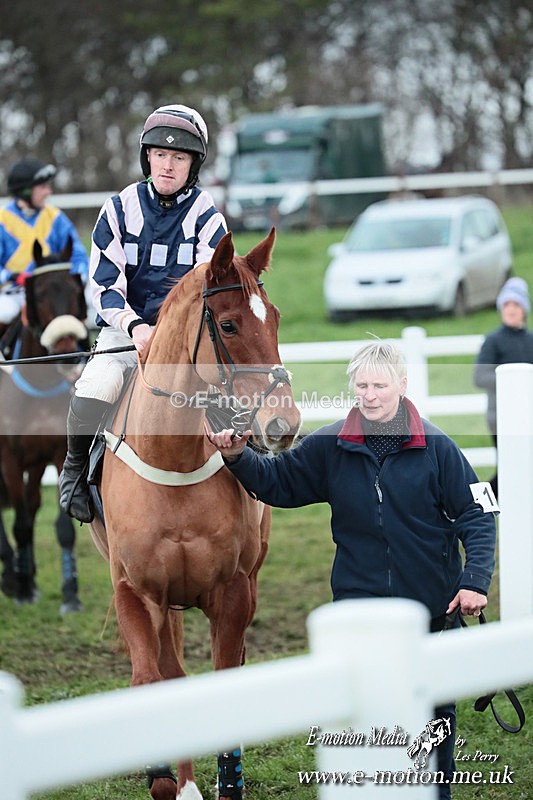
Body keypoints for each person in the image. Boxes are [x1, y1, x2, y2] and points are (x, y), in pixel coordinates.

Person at [206, 341, 497, 800]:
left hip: (432, 613)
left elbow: (477, 516)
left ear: (402, 385)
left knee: (433, 731)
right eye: (362, 385)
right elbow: (279, 482)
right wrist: (239, 456)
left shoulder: (439, 447)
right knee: (365, 727)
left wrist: (474, 581)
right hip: (359, 619)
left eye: (380, 385)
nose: (371, 394)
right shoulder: (331, 444)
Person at [58, 103, 228, 524]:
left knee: (231, 389)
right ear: (147, 157)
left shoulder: (209, 217)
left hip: (187, 339)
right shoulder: (116, 208)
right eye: (160, 154)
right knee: (94, 389)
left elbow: (214, 289)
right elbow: (102, 286)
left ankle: (254, 470)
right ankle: (75, 471)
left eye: (179, 157)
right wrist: (134, 327)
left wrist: (171, 333)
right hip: (124, 331)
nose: (168, 165)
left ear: (194, 164)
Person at [0, 157, 89, 330]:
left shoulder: (55, 217)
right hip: (14, 293)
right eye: (43, 187)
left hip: (54, 292)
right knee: (3, 312)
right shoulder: (3, 221)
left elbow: (78, 255)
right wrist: (11, 276)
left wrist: (77, 279)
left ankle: (87, 355)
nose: (49, 192)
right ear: (25, 191)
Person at [474, 277, 533, 498]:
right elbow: (480, 376)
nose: (510, 309)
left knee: (523, 465)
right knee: (509, 466)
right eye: (506, 304)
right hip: (501, 416)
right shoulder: (493, 341)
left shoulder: (530, 340)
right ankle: (478, 503)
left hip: (527, 415)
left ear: (524, 309)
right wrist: (513, 382)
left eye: (515, 304)